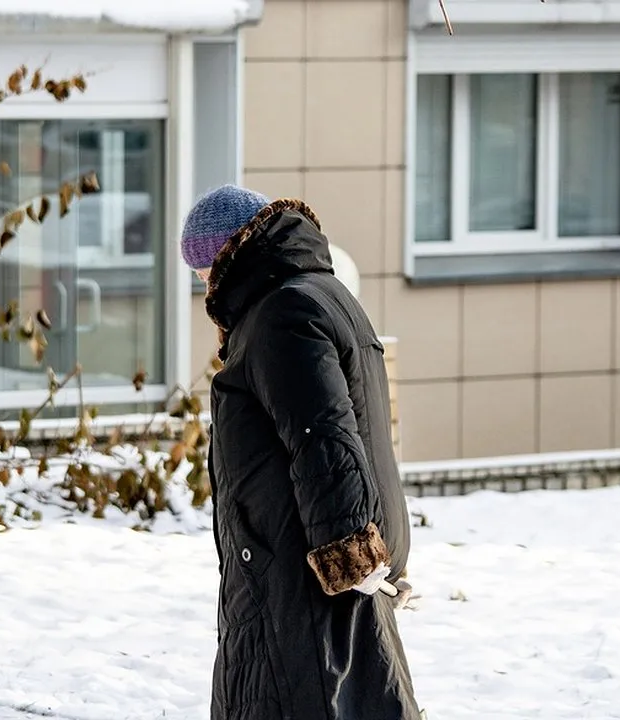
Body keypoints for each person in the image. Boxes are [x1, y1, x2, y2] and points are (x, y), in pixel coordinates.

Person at [181, 185, 423, 720]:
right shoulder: (323, 295)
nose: (202, 284)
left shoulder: (281, 313)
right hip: (325, 565)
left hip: (298, 576)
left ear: (226, 255)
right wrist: (380, 555)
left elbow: (323, 438)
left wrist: (352, 555)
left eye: (201, 270)